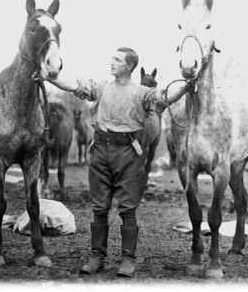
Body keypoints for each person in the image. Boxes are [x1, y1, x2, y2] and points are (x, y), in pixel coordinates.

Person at [46, 47, 188, 277]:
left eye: (117, 59)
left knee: (128, 209)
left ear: (129, 66)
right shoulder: (101, 88)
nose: (111, 62)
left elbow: (166, 97)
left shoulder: (142, 92)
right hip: (100, 151)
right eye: (112, 58)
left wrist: (187, 84)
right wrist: (51, 77)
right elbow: (73, 85)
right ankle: (96, 257)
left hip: (128, 153)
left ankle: (128, 259)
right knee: (99, 207)